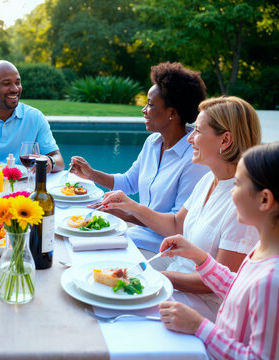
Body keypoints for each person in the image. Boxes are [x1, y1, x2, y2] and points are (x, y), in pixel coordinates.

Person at [100, 96, 261, 320]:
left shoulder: (241, 204)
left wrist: (156, 276)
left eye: (197, 131)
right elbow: (177, 224)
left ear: (225, 141)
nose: (190, 139)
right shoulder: (208, 181)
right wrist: (131, 206)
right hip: (174, 283)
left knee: (115, 312)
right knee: (104, 294)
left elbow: (218, 283)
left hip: (200, 308)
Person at [70, 62, 209, 267]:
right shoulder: (153, 143)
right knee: (77, 241)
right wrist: (91, 174)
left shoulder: (194, 160)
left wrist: (128, 213)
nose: (144, 110)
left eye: (151, 104)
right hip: (137, 235)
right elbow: (128, 182)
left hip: (164, 251)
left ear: (172, 113)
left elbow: (178, 228)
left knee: (93, 260)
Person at [158, 142, 279, 359]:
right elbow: (237, 290)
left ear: (264, 200)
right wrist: (201, 258)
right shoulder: (261, 249)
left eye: (238, 184)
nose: (231, 191)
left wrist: (199, 326)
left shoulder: (272, 280)